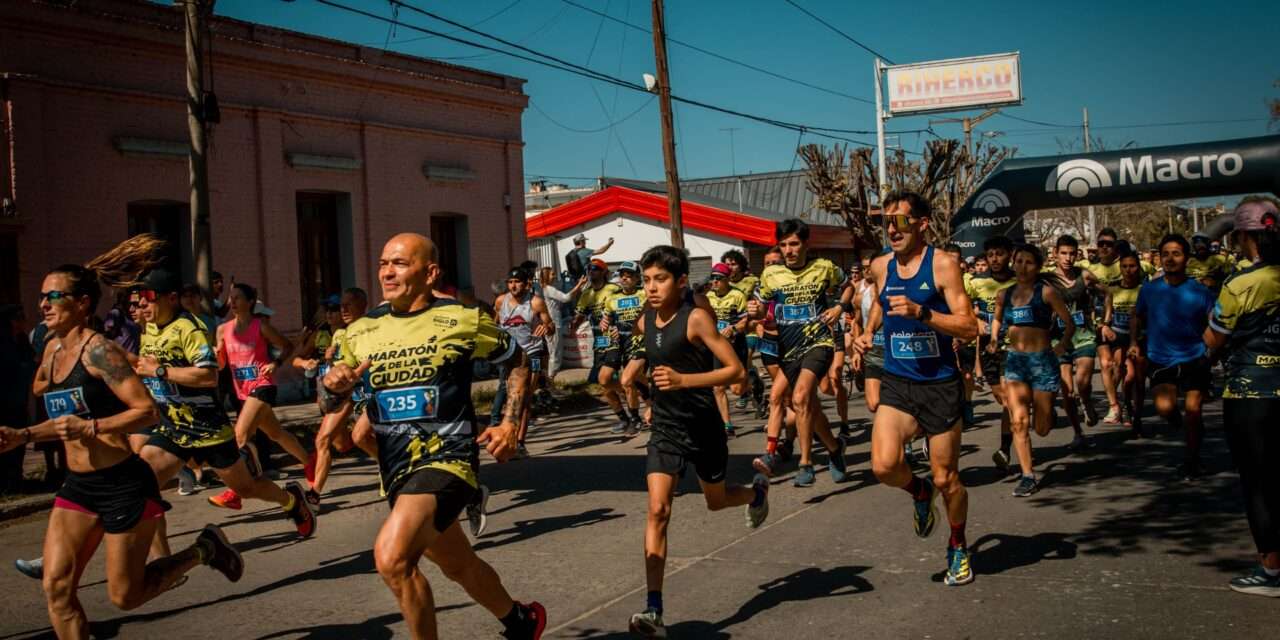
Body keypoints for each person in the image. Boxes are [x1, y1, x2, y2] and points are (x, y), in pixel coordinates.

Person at [0, 238, 242, 637]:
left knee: (126, 597)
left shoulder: (101, 353)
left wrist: (92, 428)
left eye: (53, 296)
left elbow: (146, 410)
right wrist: (22, 435)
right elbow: (65, 422)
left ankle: (205, 549)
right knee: (57, 590)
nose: (43, 304)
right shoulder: (53, 350)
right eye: (42, 296)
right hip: (78, 486)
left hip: (122, 486)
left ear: (81, 303)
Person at [320, 233, 546, 640]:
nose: (388, 271)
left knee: (391, 559)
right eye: (384, 262)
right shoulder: (362, 330)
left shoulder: (462, 318)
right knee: (459, 565)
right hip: (396, 468)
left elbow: (518, 361)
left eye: (401, 263)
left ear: (431, 273)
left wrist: (509, 422)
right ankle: (521, 621)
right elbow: (328, 402)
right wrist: (333, 386)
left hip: (449, 459)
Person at [621, 245, 769, 637]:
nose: (651, 287)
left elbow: (736, 371)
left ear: (681, 281)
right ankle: (654, 610)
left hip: (703, 427)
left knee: (715, 501)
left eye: (661, 279)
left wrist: (685, 381)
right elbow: (650, 352)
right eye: (647, 279)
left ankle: (755, 494)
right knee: (658, 510)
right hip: (667, 429)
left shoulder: (697, 319)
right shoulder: (645, 319)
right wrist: (638, 373)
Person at [134, 268, 315, 556]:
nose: (142, 303)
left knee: (246, 488)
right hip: (173, 428)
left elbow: (208, 377)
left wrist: (160, 370)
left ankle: (291, 501)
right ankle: (164, 564)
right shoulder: (149, 330)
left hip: (209, 430)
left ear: (171, 298)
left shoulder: (189, 329)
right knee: (140, 489)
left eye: (147, 296)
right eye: (138, 297)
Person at [854, 191, 978, 587]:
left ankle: (957, 544)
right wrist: (867, 333)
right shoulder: (880, 265)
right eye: (887, 221)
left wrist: (924, 312)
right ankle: (918, 492)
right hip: (898, 381)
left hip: (940, 385)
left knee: (948, 479)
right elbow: (879, 302)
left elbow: (971, 326)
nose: (892, 228)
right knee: (884, 465)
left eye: (901, 221)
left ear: (923, 224)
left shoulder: (943, 265)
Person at [1203, 199, 1280, 596]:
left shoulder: (1241, 282)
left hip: (1251, 391)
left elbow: (1213, 340)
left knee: (1258, 482)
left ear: (1243, 236)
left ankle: (1271, 569)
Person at [748, 219, 851, 488]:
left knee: (802, 396)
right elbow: (760, 307)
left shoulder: (823, 267)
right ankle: (834, 448)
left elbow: (848, 284)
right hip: (787, 348)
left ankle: (805, 463)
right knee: (807, 407)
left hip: (819, 342)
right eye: (783, 245)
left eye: (794, 244)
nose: (789, 250)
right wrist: (755, 312)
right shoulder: (771, 275)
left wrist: (840, 306)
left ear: (806, 243)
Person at [206, 282, 314, 510]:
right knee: (276, 434)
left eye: (237, 298)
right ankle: (308, 460)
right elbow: (222, 363)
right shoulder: (222, 330)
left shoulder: (260, 326)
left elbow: (286, 346)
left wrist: (275, 364)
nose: (232, 301)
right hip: (242, 390)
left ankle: (235, 492)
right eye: (231, 298)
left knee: (240, 435)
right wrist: (218, 356)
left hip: (263, 386)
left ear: (249, 302)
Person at [988, 245, 1074, 496]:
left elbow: (1068, 324)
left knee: (1042, 428)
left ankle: (1047, 413)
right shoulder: (1004, 294)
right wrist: (994, 338)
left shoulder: (1046, 293)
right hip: (1015, 362)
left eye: (1028, 263)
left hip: (1043, 362)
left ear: (1037, 267)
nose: (1022, 267)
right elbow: (996, 318)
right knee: (1018, 422)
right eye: (1018, 262)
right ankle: (1028, 475)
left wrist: (1061, 346)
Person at [1131, 234, 1215, 479]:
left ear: (1186, 258)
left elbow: (1213, 323)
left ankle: (1192, 460)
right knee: (1165, 408)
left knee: (1194, 411)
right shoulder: (1149, 289)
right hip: (1160, 359)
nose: (1170, 258)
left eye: (1176, 253)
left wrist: (1214, 350)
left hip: (1195, 358)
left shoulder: (1201, 291)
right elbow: (1137, 315)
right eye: (1165, 253)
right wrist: (1134, 342)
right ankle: (1188, 429)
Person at [310, 287, 375, 506]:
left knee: (361, 438)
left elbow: (369, 359)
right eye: (341, 305)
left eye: (349, 304)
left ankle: (391, 471)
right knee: (324, 440)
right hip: (346, 395)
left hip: (371, 393)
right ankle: (314, 494)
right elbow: (339, 365)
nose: (344, 309)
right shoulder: (340, 334)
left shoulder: (370, 328)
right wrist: (328, 364)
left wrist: (354, 375)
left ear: (362, 305)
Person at [966, 236, 1016, 472]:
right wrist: (975, 320)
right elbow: (963, 309)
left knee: (1008, 399)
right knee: (1001, 399)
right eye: (991, 255)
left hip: (1013, 348)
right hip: (988, 348)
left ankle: (1005, 448)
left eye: (1000, 254)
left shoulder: (1020, 282)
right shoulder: (975, 283)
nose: (995, 259)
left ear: (1009, 255)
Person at [492, 267, 553, 456]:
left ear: (526, 284)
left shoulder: (535, 303)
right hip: (509, 356)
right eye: (510, 282)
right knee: (509, 394)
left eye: (517, 282)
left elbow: (551, 326)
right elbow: (495, 323)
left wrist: (546, 327)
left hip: (532, 353)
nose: (513, 285)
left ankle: (520, 442)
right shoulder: (501, 301)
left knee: (524, 396)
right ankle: (501, 427)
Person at [1051, 235, 1102, 447]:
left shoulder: (1085, 275)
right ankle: (1078, 432)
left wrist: (1104, 321)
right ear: (1055, 254)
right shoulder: (1047, 279)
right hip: (1059, 339)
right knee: (1067, 390)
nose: (1068, 258)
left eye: (1072, 253)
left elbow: (1107, 293)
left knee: (1083, 382)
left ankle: (1088, 401)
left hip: (1084, 335)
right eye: (1063, 253)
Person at [573, 260, 629, 432]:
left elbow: (624, 308)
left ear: (604, 272)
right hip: (599, 342)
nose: (591, 271)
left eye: (596, 269)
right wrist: (573, 323)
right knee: (603, 385)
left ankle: (633, 397)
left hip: (616, 339)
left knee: (609, 378)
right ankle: (624, 417)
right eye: (589, 269)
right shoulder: (586, 294)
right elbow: (579, 316)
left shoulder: (613, 289)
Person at [598, 261, 648, 437]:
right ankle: (624, 418)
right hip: (617, 340)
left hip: (638, 340)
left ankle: (635, 419)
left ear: (636, 278)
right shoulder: (612, 297)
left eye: (629, 275)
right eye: (622, 275)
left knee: (629, 380)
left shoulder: (645, 293)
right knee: (604, 381)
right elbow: (605, 321)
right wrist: (605, 324)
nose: (625, 278)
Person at [1100, 251, 1145, 433]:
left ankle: (1138, 415)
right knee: (1126, 373)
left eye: (1132, 266)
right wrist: (1105, 326)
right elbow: (1106, 315)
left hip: (1142, 337)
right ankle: (1124, 405)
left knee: (1139, 380)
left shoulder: (1145, 289)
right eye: (1124, 266)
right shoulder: (1112, 290)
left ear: (1139, 267)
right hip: (1119, 337)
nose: (1128, 270)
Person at [705, 263, 751, 437]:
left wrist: (733, 328)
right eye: (713, 278)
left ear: (727, 280)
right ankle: (727, 424)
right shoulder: (708, 296)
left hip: (736, 344)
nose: (715, 282)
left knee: (737, 390)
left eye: (719, 279)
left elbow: (744, 321)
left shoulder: (737, 295)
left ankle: (752, 386)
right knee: (718, 387)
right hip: (717, 346)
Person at [1086, 228, 1126, 424]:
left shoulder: (1126, 266)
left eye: (1108, 244)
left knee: (1119, 366)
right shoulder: (1091, 270)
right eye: (1101, 243)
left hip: (1124, 319)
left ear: (1115, 246)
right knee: (1105, 363)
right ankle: (1113, 406)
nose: (1103, 247)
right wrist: (1100, 322)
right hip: (1101, 320)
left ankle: (1116, 397)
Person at [721, 249, 766, 414]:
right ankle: (755, 387)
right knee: (743, 366)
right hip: (731, 333)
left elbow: (761, 304)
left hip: (750, 329)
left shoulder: (752, 281)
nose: (730, 267)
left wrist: (758, 320)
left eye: (733, 264)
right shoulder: (722, 283)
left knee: (744, 360)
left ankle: (745, 393)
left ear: (741, 266)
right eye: (727, 264)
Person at [538, 266, 586, 383]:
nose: (554, 276)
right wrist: (579, 285)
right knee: (555, 354)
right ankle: (549, 382)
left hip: (555, 323)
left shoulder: (547, 289)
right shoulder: (549, 289)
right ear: (546, 277)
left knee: (554, 353)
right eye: (552, 274)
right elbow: (566, 298)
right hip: (553, 325)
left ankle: (549, 382)